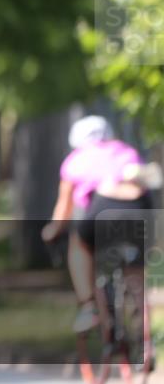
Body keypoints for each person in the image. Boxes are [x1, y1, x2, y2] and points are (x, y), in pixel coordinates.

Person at [41, 115, 154, 333]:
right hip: (138, 208)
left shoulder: (75, 160)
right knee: (134, 271)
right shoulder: (126, 151)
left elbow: (64, 208)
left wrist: (52, 231)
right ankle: (144, 332)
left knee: (79, 246)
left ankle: (89, 306)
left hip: (102, 207)